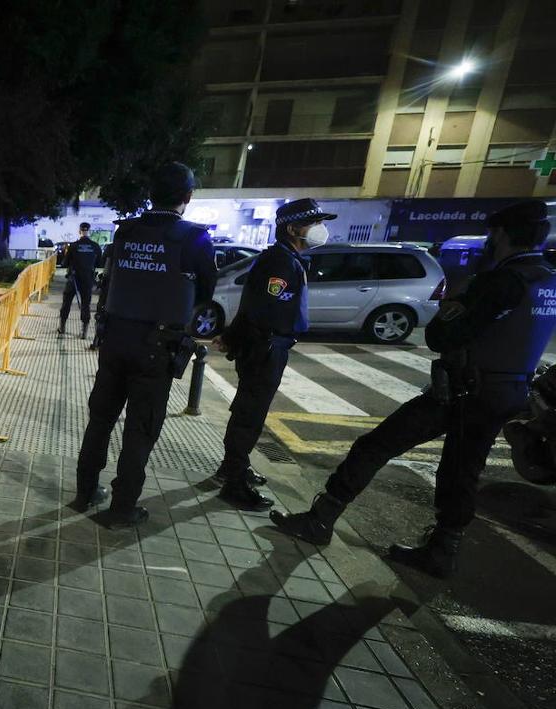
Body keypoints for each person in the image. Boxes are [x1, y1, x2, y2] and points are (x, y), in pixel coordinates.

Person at [271, 200, 556, 578]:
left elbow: (443, 335)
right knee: (462, 472)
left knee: (375, 447)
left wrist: (456, 298)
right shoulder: (547, 278)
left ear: (501, 234)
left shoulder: (499, 281)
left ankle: (321, 519)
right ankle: (442, 549)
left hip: (465, 391)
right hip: (505, 393)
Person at [70, 162, 217, 526]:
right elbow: (206, 292)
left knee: (100, 419)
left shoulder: (126, 232)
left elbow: (113, 278)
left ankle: (85, 492)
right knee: (141, 427)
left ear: (151, 195)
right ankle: (122, 508)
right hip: (157, 345)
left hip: (115, 338)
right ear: (188, 196)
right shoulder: (195, 238)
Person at [215, 198, 335, 511]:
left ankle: (232, 467)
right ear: (293, 228)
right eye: (313, 223)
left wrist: (232, 337)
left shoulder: (284, 259)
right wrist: (238, 339)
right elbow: (261, 310)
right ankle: (234, 482)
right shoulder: (280, 263)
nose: (320, 230)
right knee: (250, 415)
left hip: (267, 346)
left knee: (249, 410)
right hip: (266, 348)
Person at [59, 222, 101, 338]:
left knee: (66, 302)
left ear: (79, 231)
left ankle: (62, 327)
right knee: (85, 304)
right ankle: (84, 332)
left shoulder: (73, 246)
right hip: (87, 279)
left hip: (73, 279)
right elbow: (99, 263)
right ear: (89, 231)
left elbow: (64, 263)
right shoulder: (95, 246)